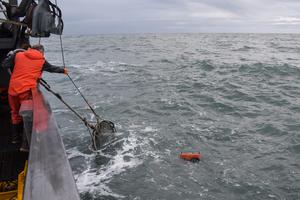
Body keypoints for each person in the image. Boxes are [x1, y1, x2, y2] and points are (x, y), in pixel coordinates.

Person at [2, 44, 68, 151]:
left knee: (15, 113)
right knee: (27, 117)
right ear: (41, 51)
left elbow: (5, 65)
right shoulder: (41, 60)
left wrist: (11, 57)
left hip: (12, 90)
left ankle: (15, 139)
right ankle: (25, 145)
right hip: (26, 92)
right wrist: (63, 70)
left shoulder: (18, 55)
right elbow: (51, 68)